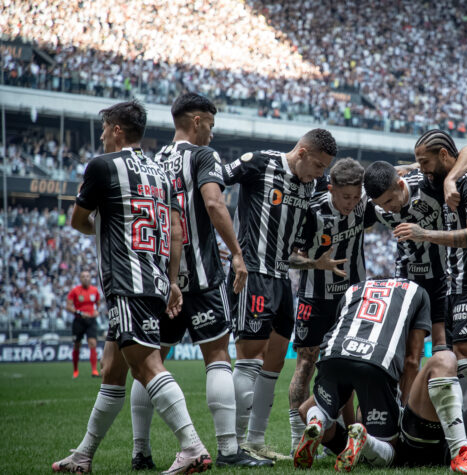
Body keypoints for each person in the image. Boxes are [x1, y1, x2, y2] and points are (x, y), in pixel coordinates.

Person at [52, 100, 211, 474]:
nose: (103, 135)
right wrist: (172, 281)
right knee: (112, 369)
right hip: (155, 280)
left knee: (147, 364)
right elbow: (175, 232)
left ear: (117, 129)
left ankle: (192, 447)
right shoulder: (160, 172)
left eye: (106, 129)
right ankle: (83, 455)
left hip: (127, 281)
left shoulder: (102, 166)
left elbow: (78, 221)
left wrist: (102, 226)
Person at [128, 93, 270, 469]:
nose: (212, 131)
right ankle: (227, 450)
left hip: (163, 284)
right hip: (204, 278)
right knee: (218, 358)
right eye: (210, 123)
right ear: (196, 120)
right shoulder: (204, 156)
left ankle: (140, 451)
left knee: (150, 361)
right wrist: (237, 253)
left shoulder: (152, 161)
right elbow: (213, 203)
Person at [222, 128, 339, 459]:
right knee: (250, 357)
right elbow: (212, 186)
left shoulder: (311, 185)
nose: (320, 174)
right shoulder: (259, 163)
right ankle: (232, 443)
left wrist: (315, 263)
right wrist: (230, 249)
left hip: (282, 278)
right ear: (301, 153)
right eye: (318, 165)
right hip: (252, 273)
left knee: (274, 360)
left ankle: (256, 441)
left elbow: (294, 253)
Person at [392, 129, 467, 464]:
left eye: (426, 162)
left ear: (444, 155)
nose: (422, 169)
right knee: (462, 361)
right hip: (457, 283)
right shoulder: (443, 179)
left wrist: (423, 233)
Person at [293, 277, 467, 473]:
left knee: (307, 409)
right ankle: (365, 440)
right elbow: (411, 361)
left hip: (333, 355)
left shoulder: (354, 288)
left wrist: (349, 423)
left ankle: (317, 421)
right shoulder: (418, 291)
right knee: (390, 449)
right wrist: (401, 409)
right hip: (376, 363)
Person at [286, 158, 376, 453]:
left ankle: (336, 437)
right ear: (331, 188)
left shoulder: (365, 205)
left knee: (348, 364)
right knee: (306, 365)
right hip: (316, 298)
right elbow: (289, 256)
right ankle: (297, 438)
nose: (352, 203)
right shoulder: (312, 212)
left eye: (356, 196)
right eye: (345, 196)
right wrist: (316, 262)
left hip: (353, 299)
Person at [363, 141, 467, 351]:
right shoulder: (373, 207)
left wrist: (449, 180)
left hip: (442, 275)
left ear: (401, 185)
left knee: (442, 344)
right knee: (411, 348)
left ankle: (441, 383)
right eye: (381, 204)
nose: (387, 208)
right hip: (407, 276)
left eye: (390, 200)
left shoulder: (428, 185)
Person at [66, 269, 101, 378]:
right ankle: (75, 370)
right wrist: (80, 313)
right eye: (83, 276)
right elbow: (68, 307)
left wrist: (96, 311)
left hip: (91, 320)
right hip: (79, 320)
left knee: (92, 343)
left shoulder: (95, 291)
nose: (86, 278)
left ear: (90, 278)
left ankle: (94, 371)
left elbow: (98, 304)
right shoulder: (74, 291)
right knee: (77, 345)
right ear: (80, 279)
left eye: (87, 276)